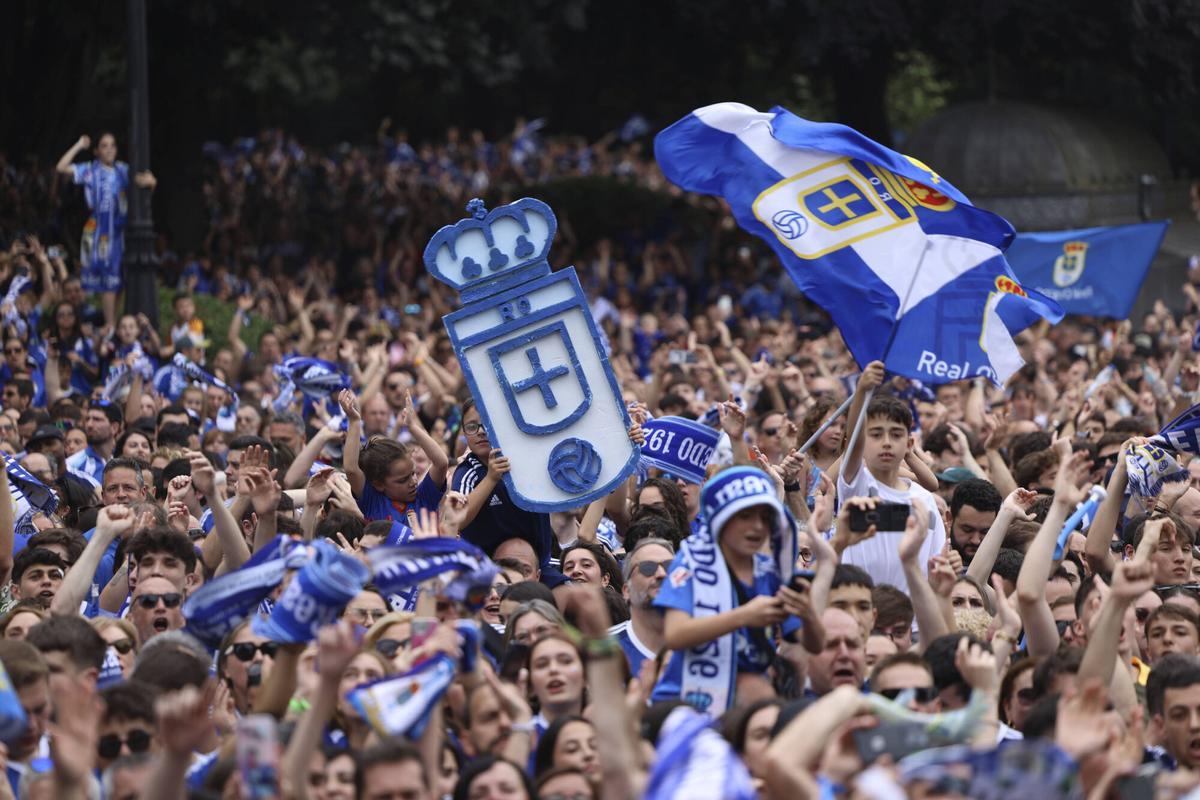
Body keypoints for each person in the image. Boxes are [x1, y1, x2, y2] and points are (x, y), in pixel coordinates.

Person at [653, 466, 823, 712]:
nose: (757, 526)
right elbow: (675, 635)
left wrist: (809, 615)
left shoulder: (771, 572)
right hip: (685, 703)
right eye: (745, 516)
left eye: (765, 517)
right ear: (722, 519)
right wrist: (744, 616)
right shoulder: (691, 561)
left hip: (746, 708)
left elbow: (814, 645)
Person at [56, 132, 157, 330]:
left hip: (120, 231)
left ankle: (110, 321)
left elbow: (143, 186)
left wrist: (152, 183)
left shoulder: (123, 170)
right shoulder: (91, 170)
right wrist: (78, 145)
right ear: (97, 151)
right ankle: (110, 324)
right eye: (104, 145)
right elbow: (61, 168)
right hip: (100, 232)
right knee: (108, 279)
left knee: (119, 281)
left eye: (112, 145)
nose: (109, 149)